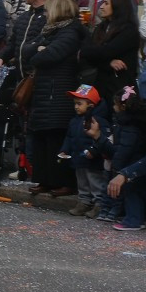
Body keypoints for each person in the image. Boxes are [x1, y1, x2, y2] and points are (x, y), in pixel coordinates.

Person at [21, 0, 86, 198]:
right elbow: (27, 51)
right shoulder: (50, 32)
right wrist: (39, 50)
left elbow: (47, 56)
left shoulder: (72, 31)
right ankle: (45, 180)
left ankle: (63, 181)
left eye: (49, 10)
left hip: (58, 91)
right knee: (42, 138)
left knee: (57, 138)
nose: (46, 14)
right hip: (45, 92)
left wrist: (41, 51)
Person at [88, 86, 146, 225]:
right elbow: (117, 151)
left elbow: (123, 152)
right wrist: (98, 137)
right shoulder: (122, 124)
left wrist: (122, 171)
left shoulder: (131, 127)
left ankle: (134, 220)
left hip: (132, 166)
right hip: (131, 166)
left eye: (115, 104)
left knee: (131, 190)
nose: (113, 107)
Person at [79, 0, 139, 108]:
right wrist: (108, 62)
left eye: (106, 3)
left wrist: (88, 52)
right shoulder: (101, 28)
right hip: (100, 88)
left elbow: (107, 51)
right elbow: (86, 54)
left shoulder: (129, 30)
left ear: (117, 6)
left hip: (120, 90)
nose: (101, 6)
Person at [59, 85, 110, 218]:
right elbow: (69, 137)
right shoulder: (74, 121)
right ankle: (84, 202)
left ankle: (99, 204)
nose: (76, 107)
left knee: (95, 182)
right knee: (82, 182)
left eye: (79, 104)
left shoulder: (98, 121)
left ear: (91, 105)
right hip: (78, 157)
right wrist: (64, 150)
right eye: (75, 104)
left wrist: (93, 150)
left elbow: (102, 138)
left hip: (93, 159)